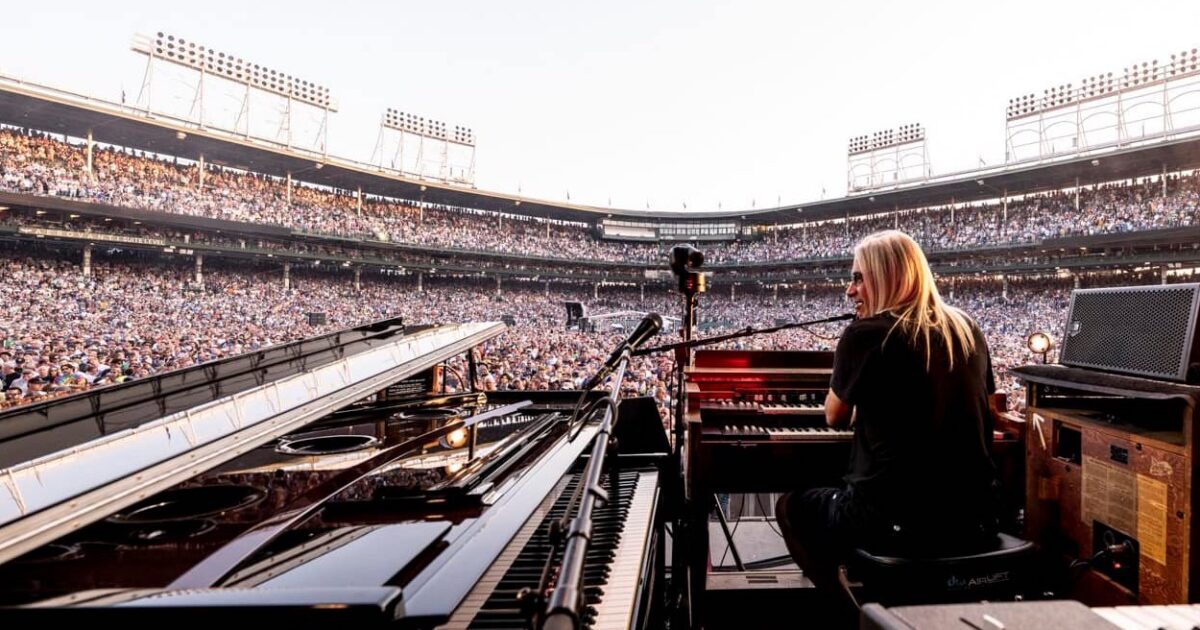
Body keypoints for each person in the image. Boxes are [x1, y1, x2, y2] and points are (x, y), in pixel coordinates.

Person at [776, 229, 1001, 593]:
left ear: (886, 277)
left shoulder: (865, 333)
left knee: (790, 506)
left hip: (893, 518)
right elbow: (984, 406)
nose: (850, 291)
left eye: (858, 278)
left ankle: (848, 612)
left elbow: (833, 415)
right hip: (975, 514)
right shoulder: (966, 327)